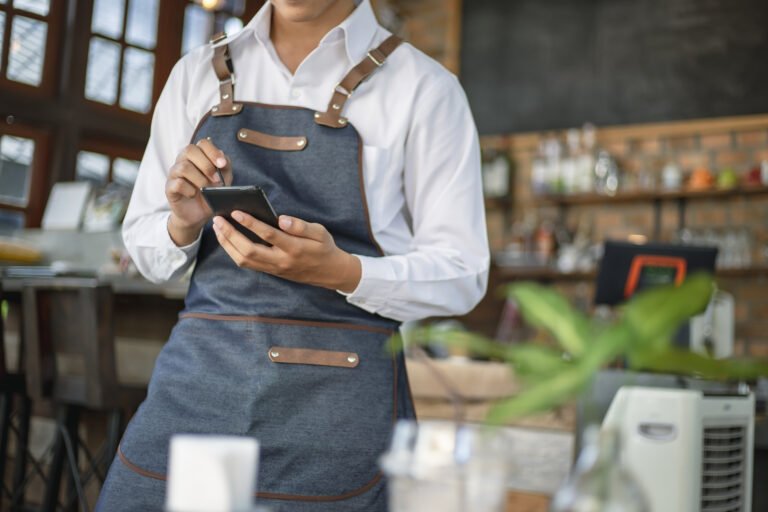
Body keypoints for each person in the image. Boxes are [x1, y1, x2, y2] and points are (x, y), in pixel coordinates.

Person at [96, 0, 488, 510]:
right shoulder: (195, 73)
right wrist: (183, 220)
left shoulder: (425, 89)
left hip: (338, 412)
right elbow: (147, 252)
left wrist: (342, 271)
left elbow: (464, 272)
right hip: (197, 388)